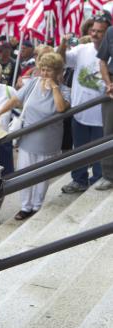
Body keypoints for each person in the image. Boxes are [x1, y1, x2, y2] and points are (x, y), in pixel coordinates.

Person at [0, 53, 70, 220]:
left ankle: (37, 206)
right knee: (25, 173)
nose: (44, 74)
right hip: (28, 138)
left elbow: (61, 108)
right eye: (43, 70)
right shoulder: (33, 83)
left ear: (58, 71)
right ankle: (25, 206)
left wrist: (54, 86)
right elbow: (15, 100)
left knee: (42, 175)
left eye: (49, 71)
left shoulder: (65, 90)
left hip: (49, 141)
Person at [59, 14, 110, 194]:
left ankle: (97, 181)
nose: (95, 34)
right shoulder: (82, 49)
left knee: (99, 154)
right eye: (93, 30)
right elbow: (63, 61)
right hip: (79, 114)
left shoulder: (110, 54)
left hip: (101, 117)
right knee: (78, 151)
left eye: (100, 31)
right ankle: (79, 180)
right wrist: (63, 44)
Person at [97, 16, 113, 190]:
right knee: (109, 132)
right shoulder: (110, 32)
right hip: (111, 90)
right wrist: (108, 83)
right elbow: (102, 60)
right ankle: (109, 175)